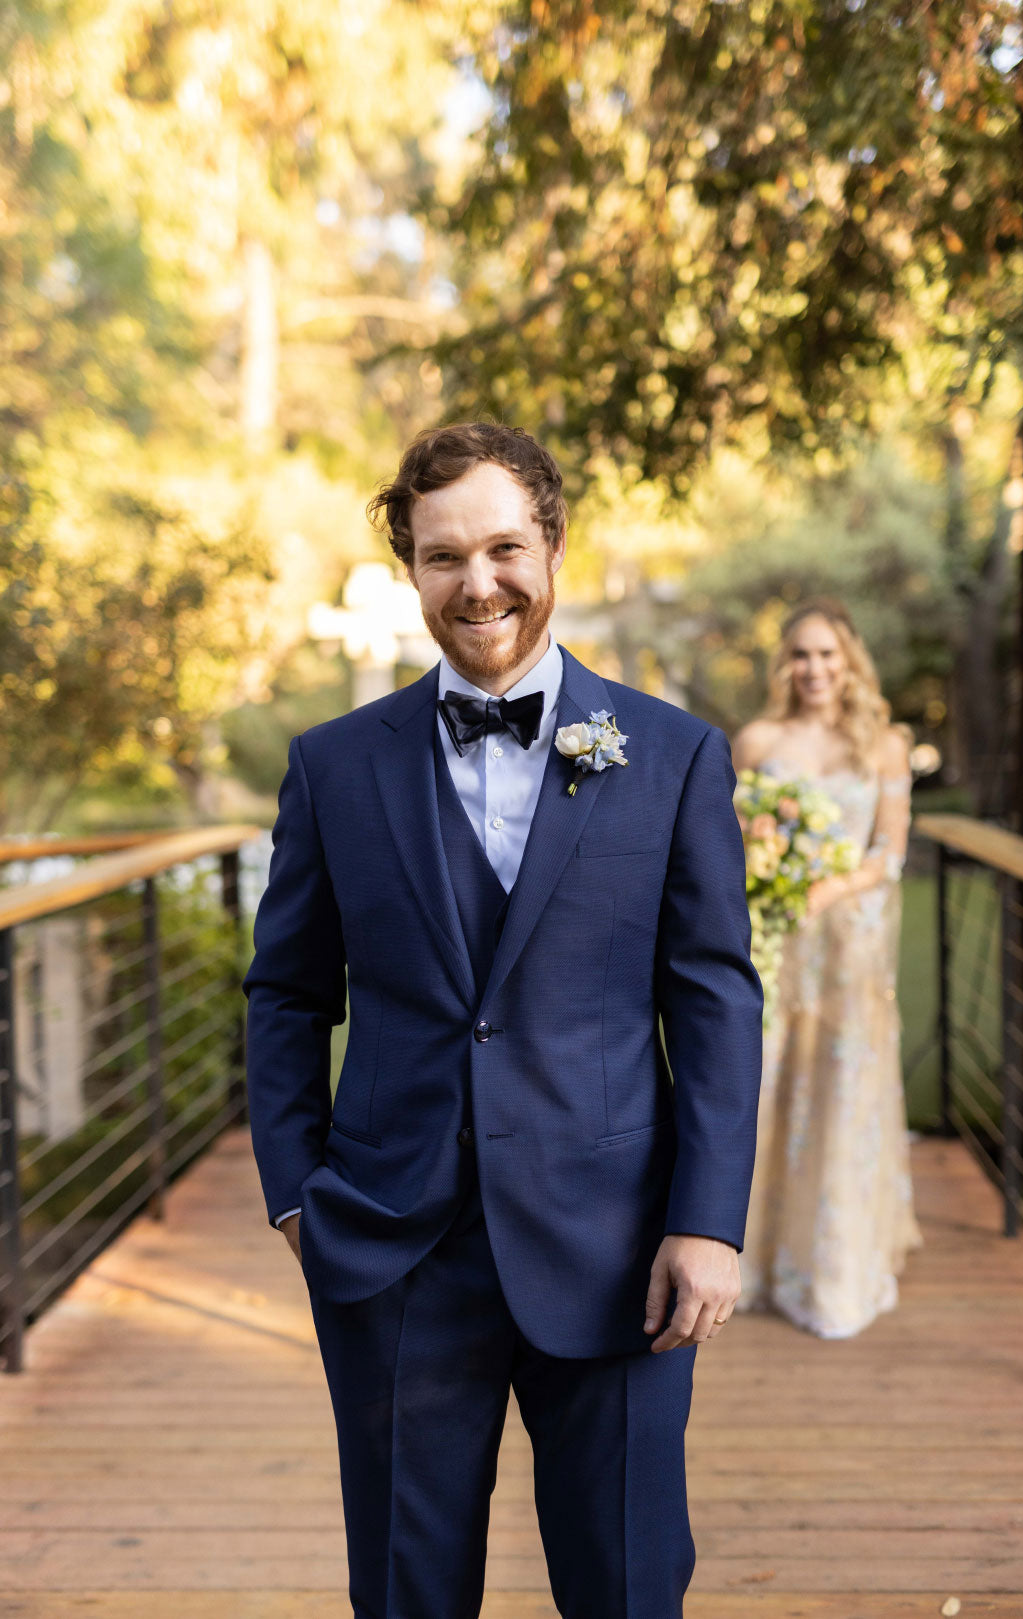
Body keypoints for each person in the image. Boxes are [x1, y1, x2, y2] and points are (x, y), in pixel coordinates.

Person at [241, 421, 763, 1619]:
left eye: (503, 547)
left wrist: (709, 1220)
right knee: (406, 1589)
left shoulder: (674, 755)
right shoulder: (332, 766)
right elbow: (285, 992)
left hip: (623, 1245)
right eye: (442, 556)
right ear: (409, 569)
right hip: (390, 1243)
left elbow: (717, 996)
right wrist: (292, 1188)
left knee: (627, 1580)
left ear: (555, 544)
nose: (478, 583)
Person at [730, 597, 923, 1340]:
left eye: (828, 655)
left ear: (850, 664)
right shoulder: (757, 739)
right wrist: (767, 874)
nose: (815, 668)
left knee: (839, 1088)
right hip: (776, 937)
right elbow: (725, 836)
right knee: (769, 1081)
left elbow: (891, 852)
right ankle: (749, 1256)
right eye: (801, 655)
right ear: (785, 665)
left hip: (849, 944)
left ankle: (830, 1265)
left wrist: (830, 887)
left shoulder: (883, 744)